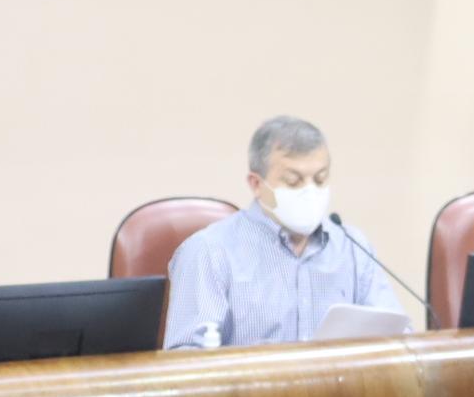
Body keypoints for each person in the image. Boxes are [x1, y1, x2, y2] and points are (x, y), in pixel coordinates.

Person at [162, 115, 407, 348]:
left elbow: (398, 339)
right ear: (256, 184)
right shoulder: (210, 251)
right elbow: (187, 361)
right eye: (293, 181)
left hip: (340, 391)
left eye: (320, 180)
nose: (310, 192)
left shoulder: (353, 247)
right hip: (250, 392)